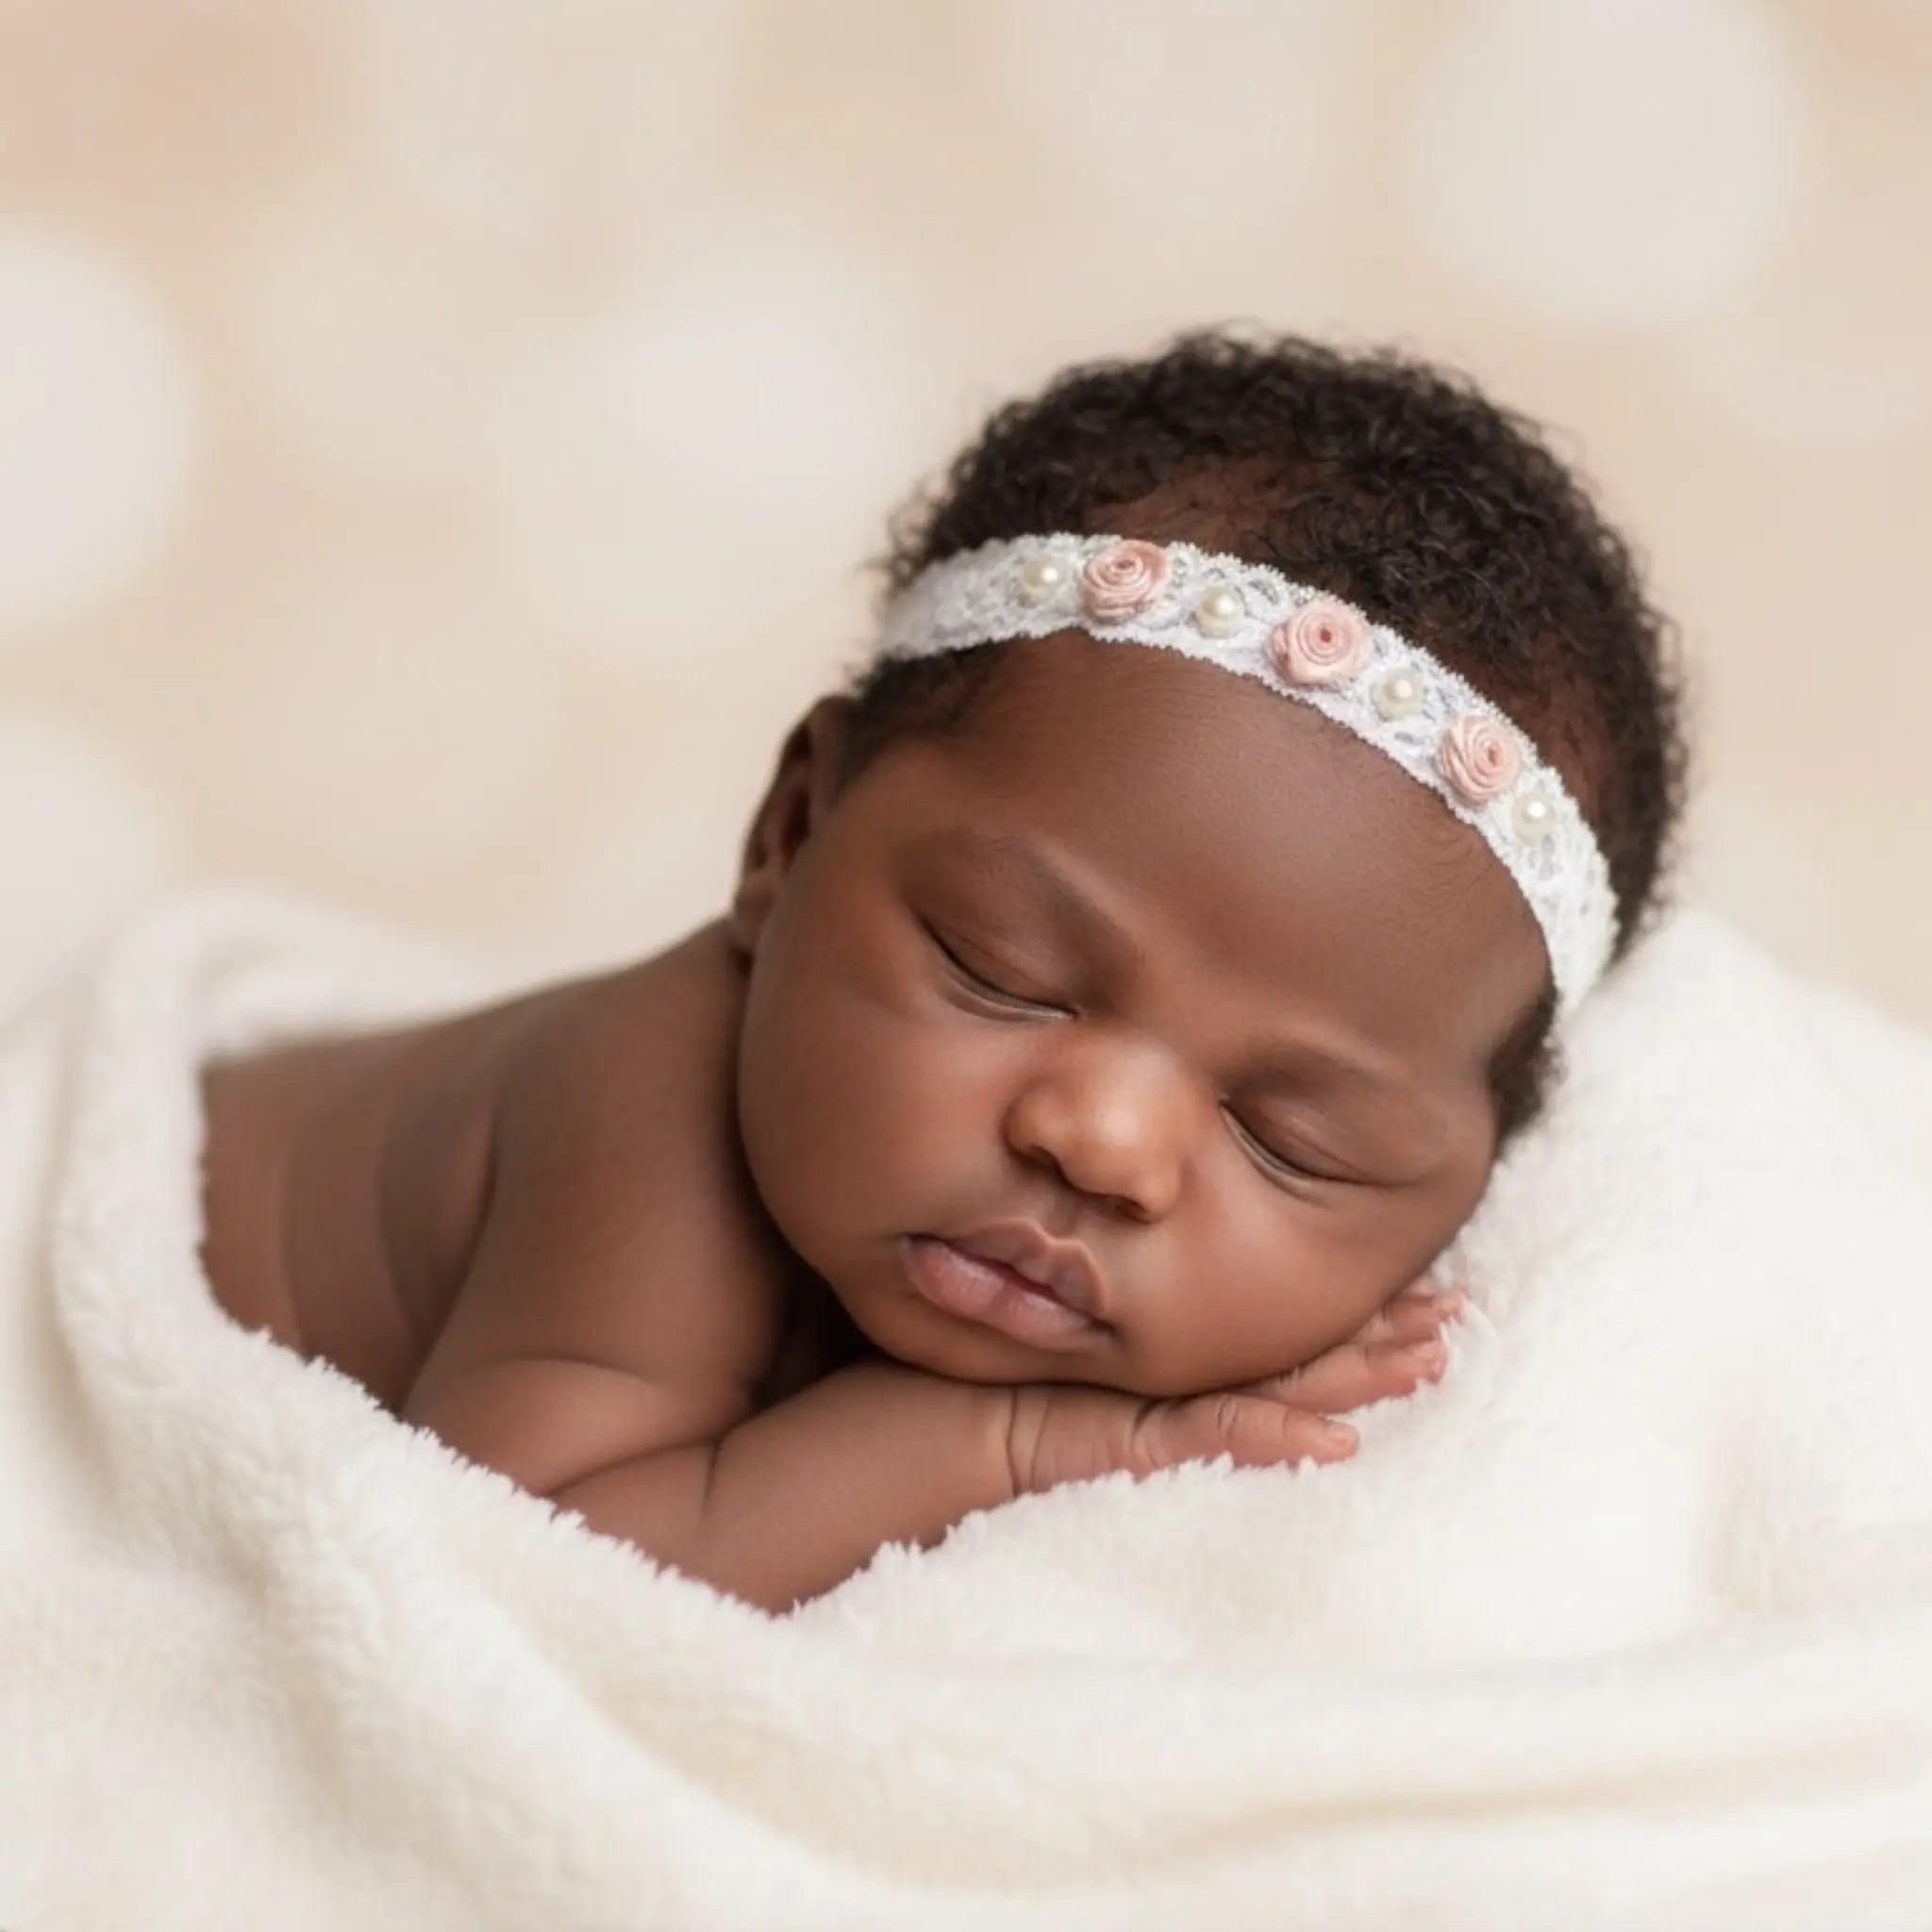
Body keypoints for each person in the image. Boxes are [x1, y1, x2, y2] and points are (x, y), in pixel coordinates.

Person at [199, 330, 1689, 1613]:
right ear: (793, 832)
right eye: (1003, 971)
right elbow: (516, 1571)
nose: (1103, 1143)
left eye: (1293, 1138)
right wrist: (1023, 1444)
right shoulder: (647, 1103)